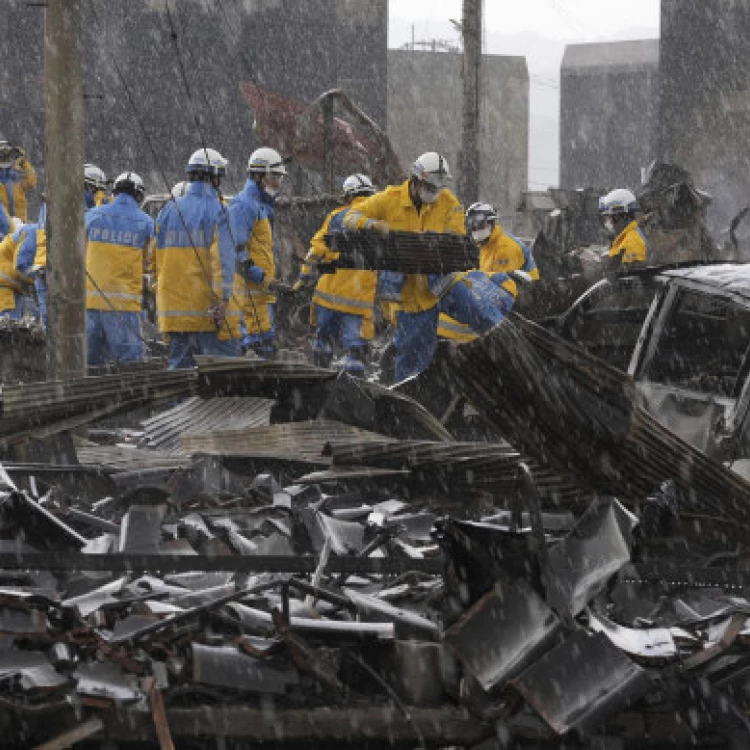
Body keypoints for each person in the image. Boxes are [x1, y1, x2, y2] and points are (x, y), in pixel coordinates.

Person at [341, 151, 503, 381]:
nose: (434, 193)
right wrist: (371, 224)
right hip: (411, 294)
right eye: (429, 187)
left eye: (438, 188)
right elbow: (349, 218)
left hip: (443, 281)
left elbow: (456, 235)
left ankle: (509, 349)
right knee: (412, 364)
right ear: (415, 180)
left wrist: (434, 244)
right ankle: (409, 402)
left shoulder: (448, 203)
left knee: (486, 316)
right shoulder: (390, 198)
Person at [153, 147, 238, 369]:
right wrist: (222, 301)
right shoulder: (220, 211)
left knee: (180, 379)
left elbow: (156, 261)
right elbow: (224, 263)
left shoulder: (168, 210)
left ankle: (177, 405)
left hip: (173, 313)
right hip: (205, 313)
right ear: (215, 177)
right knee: (217, 376)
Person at [297, 173, 378, 373]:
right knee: (356, 352)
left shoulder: (335, 217)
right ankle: (353, 393)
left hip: (328, 297)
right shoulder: (377, 220)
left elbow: (316, 249)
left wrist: (304, 278)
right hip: (357, 301)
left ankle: (319, 383)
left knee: (323, 343)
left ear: (349, 195)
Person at [219, 147, 288, 358]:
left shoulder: (260, 206)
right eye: (274, 176)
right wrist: (263, 279)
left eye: (280, 177)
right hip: (250, 296)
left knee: (265, 345)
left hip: (260, 296)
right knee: (258, 348)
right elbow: (237, 254)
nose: (278, 183)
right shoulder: (244, 205)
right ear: (258, 175)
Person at [438, 202, 536, 341]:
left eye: (479, 224)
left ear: (491, 223)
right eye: (471, 225)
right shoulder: (483, 246)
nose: (475, 229)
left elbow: (505, 287)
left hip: (523, 298)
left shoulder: (506, 248)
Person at [85, 171, 154, 366]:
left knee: (89, 367)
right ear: (139, 196)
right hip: (122, 306)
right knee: (130, 366)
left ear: (114, 192)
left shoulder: (91, 216)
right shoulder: (146, 223)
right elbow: (150, 263)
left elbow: (78, 253)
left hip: (89, 304)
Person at [599, 188, 651, 268]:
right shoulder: (624, 238)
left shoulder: (632, 241)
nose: (609, 222)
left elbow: (630, 276)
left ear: (618, 217)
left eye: (610, 217)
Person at [0, 219, 34, 318]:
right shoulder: (31, 235)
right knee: (8, 329)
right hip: (6, 293)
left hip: (10, 290)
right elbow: (21, 269)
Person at [0, 137, 37, 222]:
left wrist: (22, 161)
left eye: (7, 155)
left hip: (19, 226)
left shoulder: (16, 178)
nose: (4, 158)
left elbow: (31, 181)